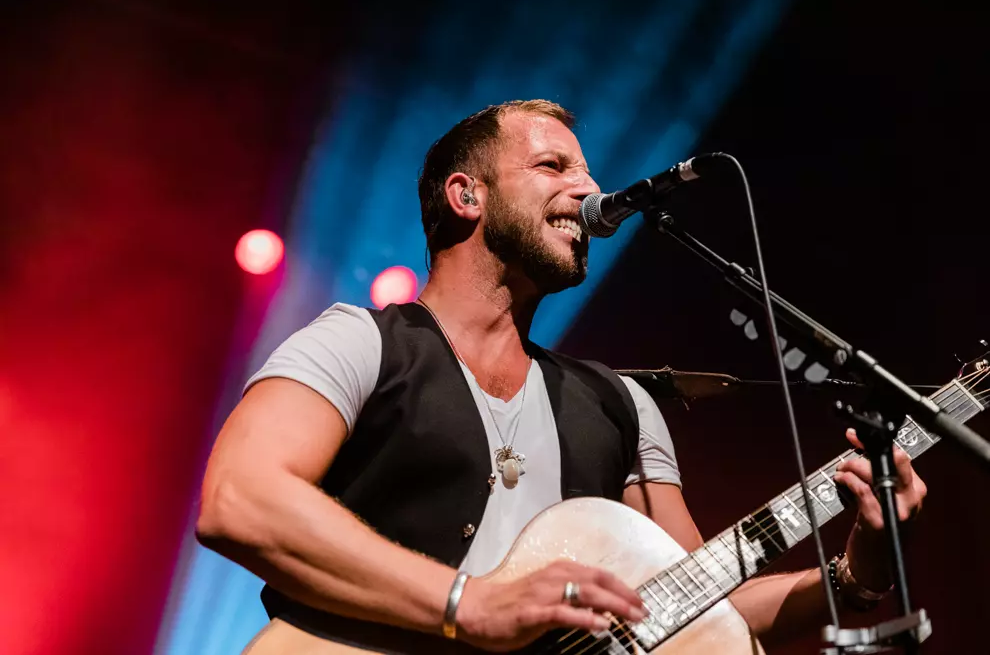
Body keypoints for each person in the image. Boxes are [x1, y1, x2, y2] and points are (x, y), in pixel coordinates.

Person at [196, 99, 927, 652]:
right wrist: (466, 604)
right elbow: (237, 500)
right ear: (466, 195)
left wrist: (857, 571)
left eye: (586, 171)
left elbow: (704, 606)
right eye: (554, 167)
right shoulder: (359, 343)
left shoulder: (620, 405)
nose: (587, 190)